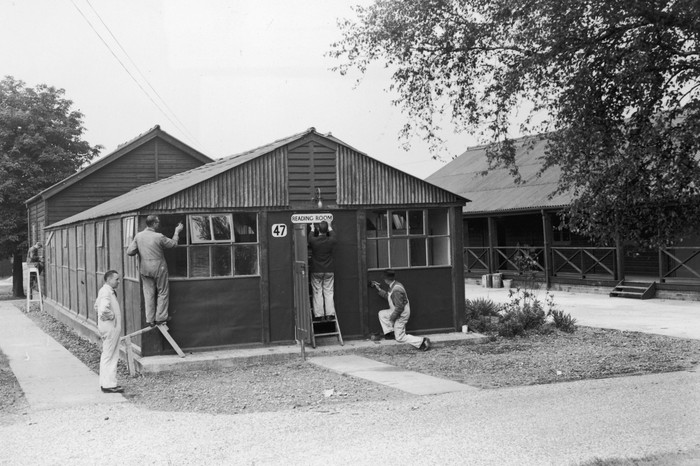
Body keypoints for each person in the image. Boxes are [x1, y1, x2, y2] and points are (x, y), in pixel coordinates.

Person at [126, 215, 183, 327]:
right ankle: (161, 318)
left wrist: (141, 250)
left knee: (148, 293)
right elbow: (173, 244)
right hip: (159, 267)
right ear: (154, 224)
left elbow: (130, 252)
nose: (159, 224)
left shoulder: (139, 236)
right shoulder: (159, 236)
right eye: (158, 222)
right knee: (163, 292)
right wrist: (177, 231)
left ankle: (150, 320)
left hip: (144, 269)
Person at [371, 269, 431, 351]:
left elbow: (399, 308)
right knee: (382, 314)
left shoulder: (396, 290)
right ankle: (392, 333)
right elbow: (389, 297)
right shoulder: (394, 285)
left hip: (401, 314)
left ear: (386, 279)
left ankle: (422, 341)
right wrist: (379, 289)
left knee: (400, 338)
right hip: (396, 311)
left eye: (384, 278)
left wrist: (392, 319)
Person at [95, 270, 123, 393]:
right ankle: (109, 385)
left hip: (108, 327)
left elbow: (96, 306)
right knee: (111, 355)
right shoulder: (106, 292)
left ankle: (105, 382)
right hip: (110, 327)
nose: (118, 281)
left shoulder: (104, 291)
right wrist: (112, 316)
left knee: (107, 354)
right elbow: (102, 309)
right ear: (109, 280)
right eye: (116, 279)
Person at [308, 220, 337, 320]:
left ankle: (319, 315)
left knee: (317, 292)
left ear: (318, 229)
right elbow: (334, 235)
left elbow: (310, 237)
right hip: (329, 269)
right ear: (327, 230)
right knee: (329, 292)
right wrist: (329, 226)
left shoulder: (314, 241)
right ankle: (329, 314)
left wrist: (312, 229)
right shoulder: (331, 240)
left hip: (316, 270)